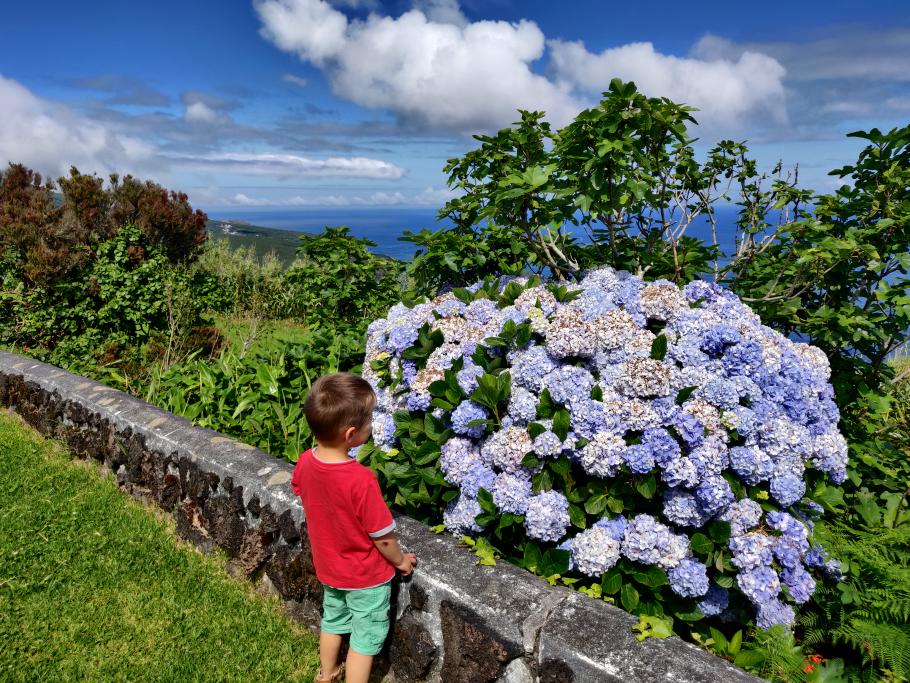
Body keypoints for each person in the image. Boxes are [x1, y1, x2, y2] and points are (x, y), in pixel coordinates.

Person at [292, 372, 417, 683]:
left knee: (333, 620)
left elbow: (304, 491)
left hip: (330, 568)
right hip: (365, 577)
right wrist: (401, 561)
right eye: (370, 419)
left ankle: (327, 674)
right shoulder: (361, 480)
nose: (372, 424)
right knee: (364, 639)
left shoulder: (306, 462)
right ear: (351, 435)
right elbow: (382, 537)